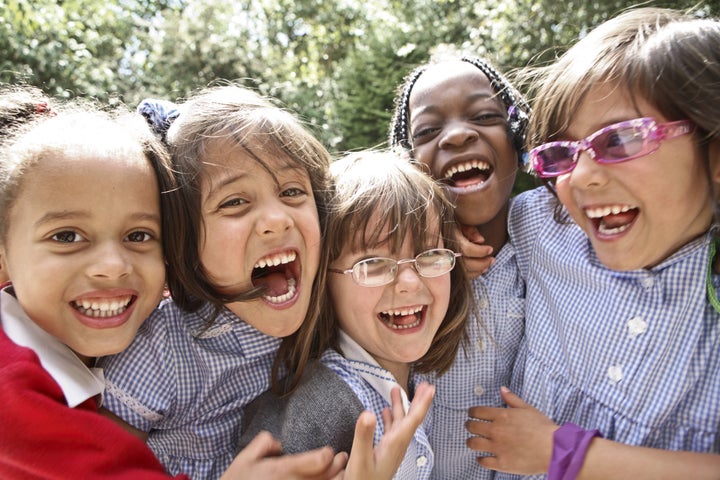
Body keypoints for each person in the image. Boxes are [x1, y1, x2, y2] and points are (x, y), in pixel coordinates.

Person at [97, 85, 431, 479]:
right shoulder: (162, 347)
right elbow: (97, 466)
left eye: (292, 192)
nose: (277, 219)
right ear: (182, 241)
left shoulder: (319, 297)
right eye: (234, 202)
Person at [465, 8, 720, 479]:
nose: (579, 178)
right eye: (561, 154)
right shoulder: (546, 226)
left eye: (620, 140)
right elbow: (473, 222)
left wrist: (570, 454)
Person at [241, 149, 471, 479]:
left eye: (431, 254)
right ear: (323, 282)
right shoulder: (316, 406)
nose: (408, 282)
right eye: (373, 264)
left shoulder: (414, 380)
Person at [0, 91, 185, 478]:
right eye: (67, 237)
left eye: (138, 235)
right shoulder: (11, 389)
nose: (112, 266)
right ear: (4, 256)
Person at [388, 54, 529, 479]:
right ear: (407, 164)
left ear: (518, 138)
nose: (457, 136)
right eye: (428, 130)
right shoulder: (396, 271)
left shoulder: (552, 235)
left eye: (484, 115)